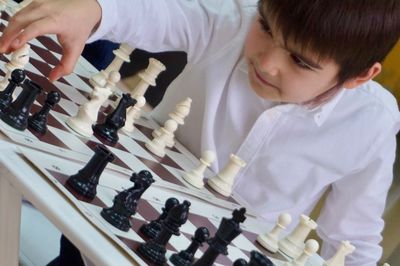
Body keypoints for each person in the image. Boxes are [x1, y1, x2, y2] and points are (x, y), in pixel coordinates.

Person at [1, 0, 399, 265]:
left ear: (360, 76)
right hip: (112, 214)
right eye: (266, 26)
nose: (267, 61)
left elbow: (354, 242)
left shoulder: (372, 123)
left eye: (300, 61)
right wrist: (94, 10)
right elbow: (154, 13)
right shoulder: (234, 22)